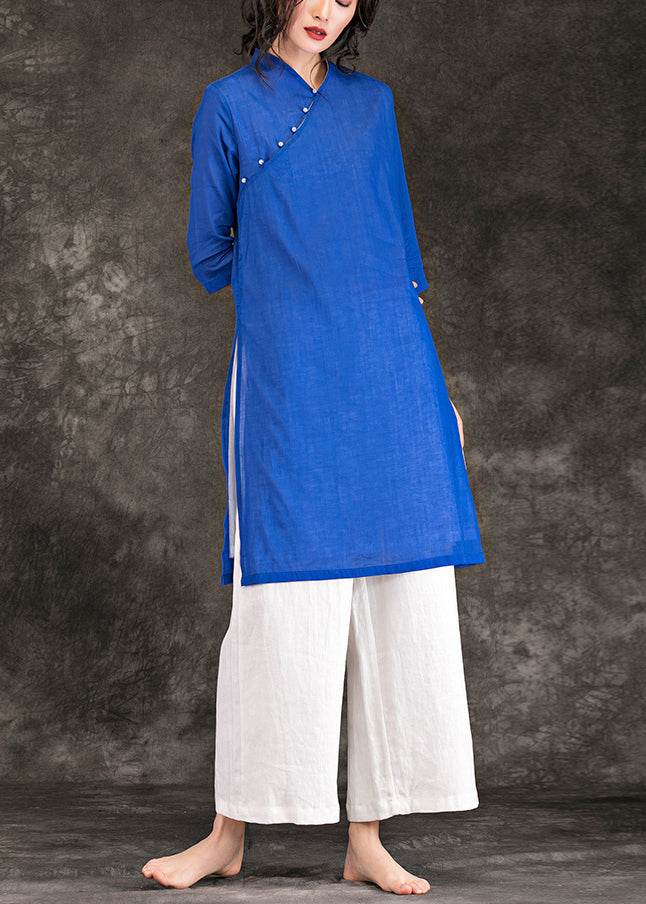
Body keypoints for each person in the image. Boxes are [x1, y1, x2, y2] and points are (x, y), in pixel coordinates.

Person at [142, 0, 485, 895]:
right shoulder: (229, 104)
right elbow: (208, 253)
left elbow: (400, 253)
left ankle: (367, 837)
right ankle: (228, 834)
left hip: (391, 374)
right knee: (278, 609)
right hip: (289, 377)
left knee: (399, 597)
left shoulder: (373, 106)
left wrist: (436, 393)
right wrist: (292, 287)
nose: (327, 8)